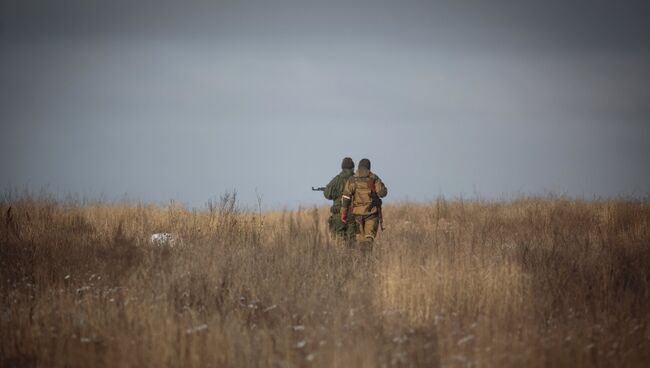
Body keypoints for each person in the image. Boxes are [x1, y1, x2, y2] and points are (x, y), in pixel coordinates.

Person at [340, 158, 387, 249]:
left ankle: (362, 259)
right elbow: (382, 193)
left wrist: (343, 213)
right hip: (371, 214)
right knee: (369, 238)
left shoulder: (352, 179)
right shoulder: (374, 178)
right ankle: (366, 258)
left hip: (357, 214)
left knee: (361, 239)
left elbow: (346, 197)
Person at [323, 157, 357, 240]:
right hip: (353, 215)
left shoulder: (337, 180)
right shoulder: (356, 179)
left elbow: (327, 194)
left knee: (339, 243)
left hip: (338, 215)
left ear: (342, 167)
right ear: (352, 167)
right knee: (352, 243)